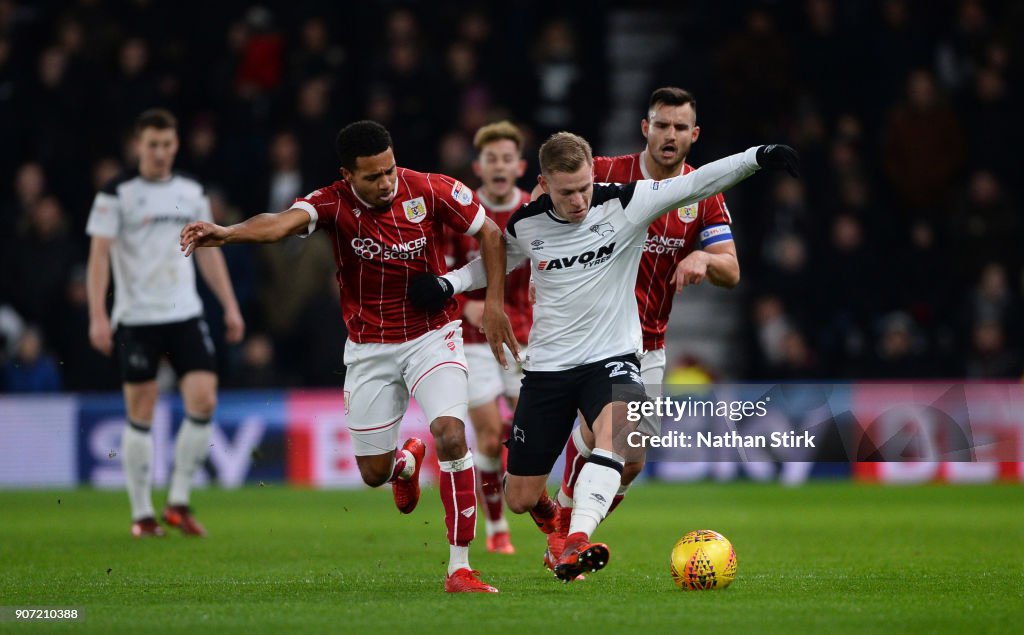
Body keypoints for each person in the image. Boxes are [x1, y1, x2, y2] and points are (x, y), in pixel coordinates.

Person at [416, 131, 798, 581]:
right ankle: (558, 521)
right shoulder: (527, 224)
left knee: (619, 435)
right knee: (519, 497)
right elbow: (496, 261)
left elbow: (700, 183)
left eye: (584, 187)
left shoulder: (628, 201)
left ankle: (577, 538)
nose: (578, 200)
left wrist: (757, 155)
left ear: (593, 176)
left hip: (612, 357)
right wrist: (449, 284)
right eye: (566, 192)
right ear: (544, 184)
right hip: (547, 369)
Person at [180, 120, 516, 593]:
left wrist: (495, 304)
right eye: (373, 176)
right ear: (348, 175)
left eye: (389, 170)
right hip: (370, 350)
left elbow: (493, 236)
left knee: (451, 434)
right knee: (373, 473)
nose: (385, 183)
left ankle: (459, 567)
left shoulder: (430, 188)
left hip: (432, 336)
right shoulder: (331, 202)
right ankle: (403, 465)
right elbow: (278, 225)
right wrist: (227, 233)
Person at [545, 87, 742, 570]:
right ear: (645, 129)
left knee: (630, 462)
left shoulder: (703, 193)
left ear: (694, 135)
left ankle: (567, 519)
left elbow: (731, 270)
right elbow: (544, 199)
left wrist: (701, 256)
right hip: (592, 335)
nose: (670, 135)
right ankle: (569, 537)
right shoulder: (607, 174)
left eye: (679, 127)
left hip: (648, 342)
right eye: (662, 125)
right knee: (608, 434)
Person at [86, 109, 245, 539]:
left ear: (176, 145)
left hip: (185, 313)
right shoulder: (116, 193)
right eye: (152, 144)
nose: (159, 152)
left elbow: (209, 250)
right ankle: (141, 514)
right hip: (137, 318)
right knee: (141, 411)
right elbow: (99, 256)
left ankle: (177, 502)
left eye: (167, 144)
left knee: (204, 401)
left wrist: (229, 304)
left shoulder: (191, 191)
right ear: (139, 145)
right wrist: (98, 314)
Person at [448, 121, 532, 554]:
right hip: (473, 339)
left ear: (518, 166)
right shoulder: (460, 213)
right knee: (486, 434)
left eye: (506, 158)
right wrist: (465, 306)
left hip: (527, 337)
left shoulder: (536, 208)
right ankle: (497, 525)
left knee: (527, 431)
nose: (499, 166)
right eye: (491, 159)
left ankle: (529, 505)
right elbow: (437, 275)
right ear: (479, 166)